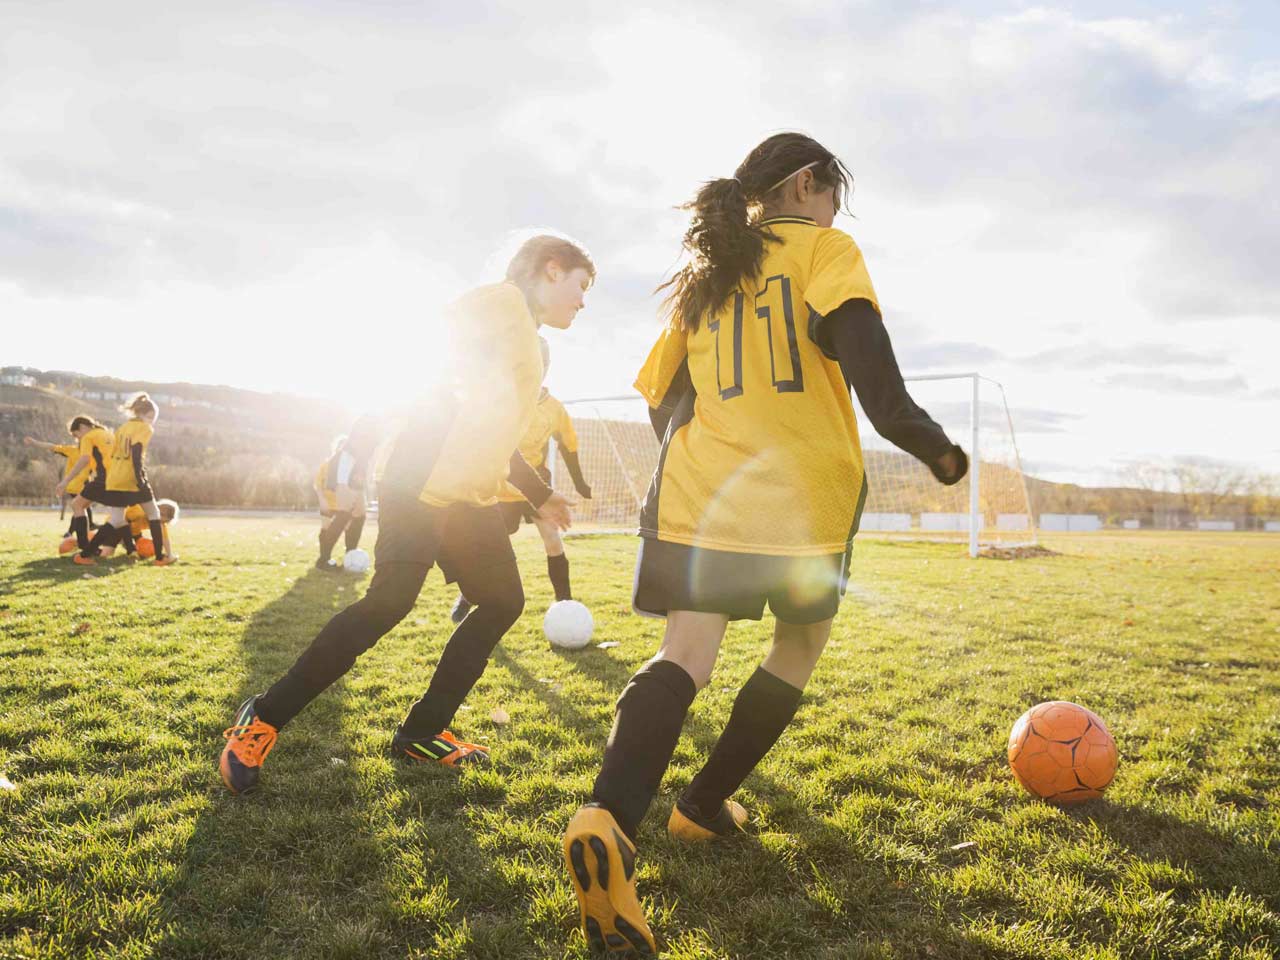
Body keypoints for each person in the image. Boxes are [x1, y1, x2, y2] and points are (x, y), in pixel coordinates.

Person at [562, 133, 969, 957]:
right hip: (801, 501)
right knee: (799, 646)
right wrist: (937, 450)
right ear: (809, 184)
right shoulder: (827, 249)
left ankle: (609, 817)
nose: (833, 212)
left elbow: (661, 403)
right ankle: (704, 803)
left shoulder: (705, 277)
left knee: (685, 653)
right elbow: (879, 391)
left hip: (701, 490)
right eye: (833, 195)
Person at [219, 234, 594, 795]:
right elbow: (418, 354)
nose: (583, 302)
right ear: (551, 269)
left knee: (502, 602)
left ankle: (423, 733)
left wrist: (539, 492)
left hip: (469, 499)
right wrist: (361, 444)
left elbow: (498, 435)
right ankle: (262, 718)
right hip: (419, 484)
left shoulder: (525, 340)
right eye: (581, 286)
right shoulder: (500, 303)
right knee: (389, 603)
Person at [451, 337, 592, 623]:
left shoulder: (554, 408)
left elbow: (568, 444)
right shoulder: (502, 401)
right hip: (502, 485)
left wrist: (579, 483)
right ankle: (468, 596)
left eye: (539, 363)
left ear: (547, 366)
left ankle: (564, 604)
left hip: (537, 487)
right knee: (492, 546)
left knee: (552, 539)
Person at [70, 393, 175, 566]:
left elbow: (114, 454)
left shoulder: (122, 428)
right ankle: (160, 558)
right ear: (142, 414)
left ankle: (85, 555)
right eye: (150, 417)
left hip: (114, 479)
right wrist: (140, 478)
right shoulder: (145, 428)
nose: (151, 422)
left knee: (116, 519)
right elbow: (136, 451)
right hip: (132, 479)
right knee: (154, 514)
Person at [314, 417, 380, 571]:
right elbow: (319, 483)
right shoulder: (351, 447)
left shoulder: (373, 443)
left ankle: (350, 556)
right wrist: (341, 485)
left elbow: (368, 465)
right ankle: (323, 560)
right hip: (344, 475)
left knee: (360, 515)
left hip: (356, 476)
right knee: (344, 514)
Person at [23, 418, 100, 540]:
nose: (78, 439)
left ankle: (80, 531)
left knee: (80, 508)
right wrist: (35, 443)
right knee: (80, 508)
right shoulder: (73, 450)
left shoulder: (92, 453)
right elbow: (52, 446)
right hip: (74, 486)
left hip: (84, 486)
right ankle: (77, 532)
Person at [52, 416, 114, 555]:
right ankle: (129, 547)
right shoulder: (108, 434)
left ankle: (86, 547)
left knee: (76, 505)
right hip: (117, 478)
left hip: (102, 479)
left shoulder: (88, 437)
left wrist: (65, 481)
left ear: (82, 427)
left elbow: (84, 459)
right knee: (116, 515)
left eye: (76, 435)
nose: (77, 439)